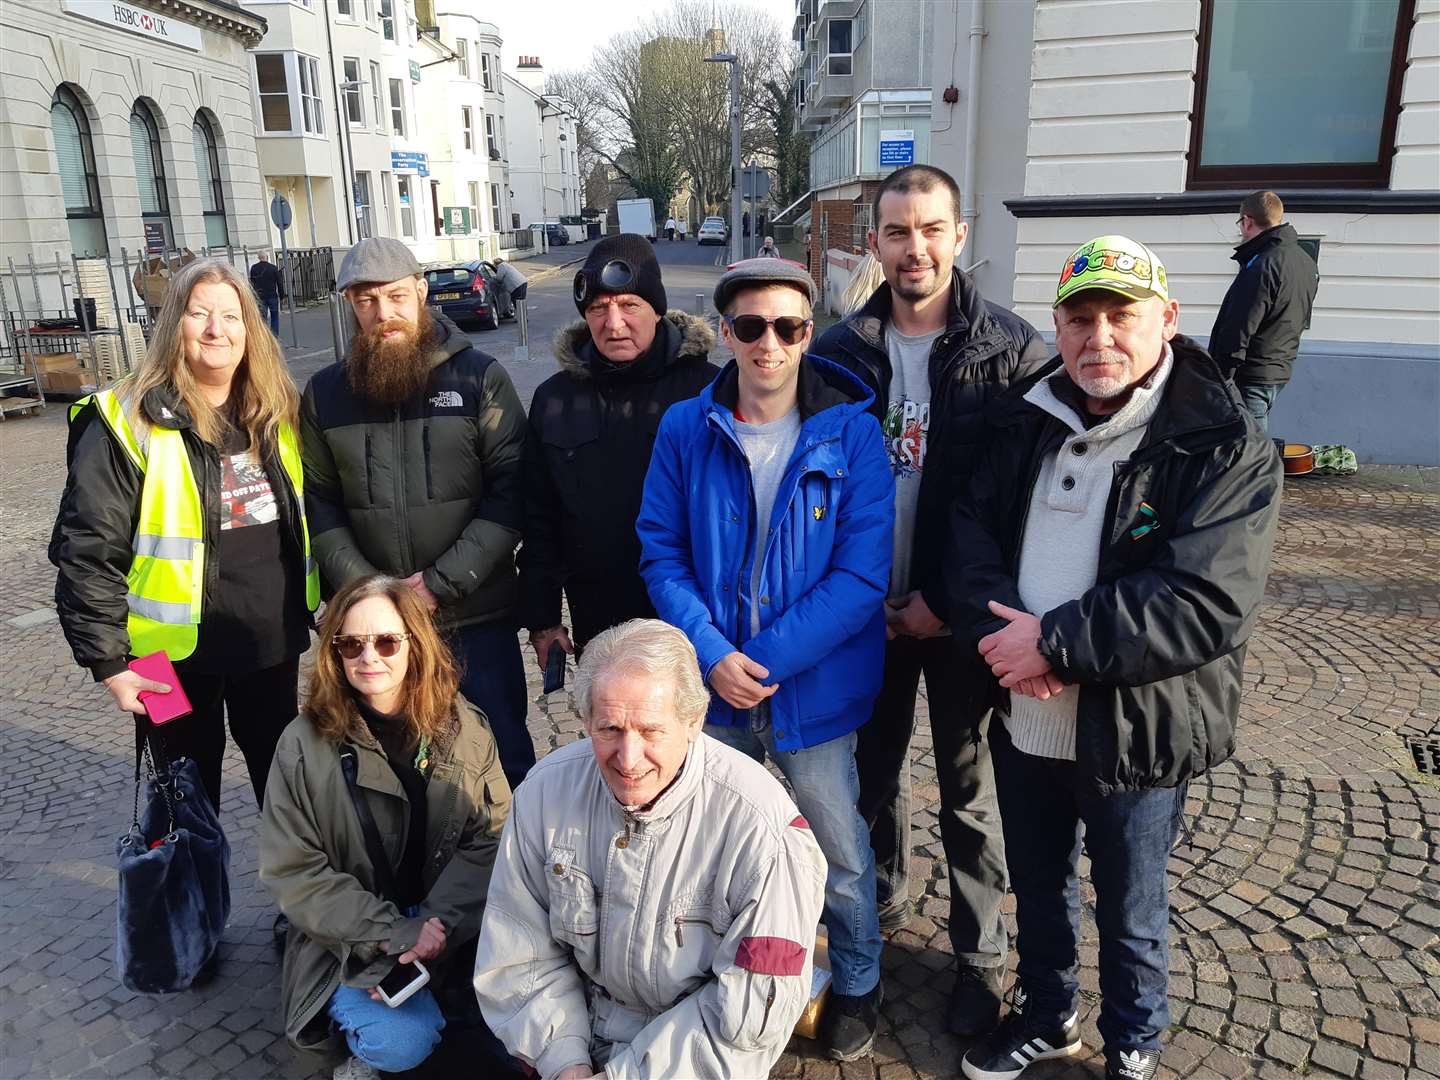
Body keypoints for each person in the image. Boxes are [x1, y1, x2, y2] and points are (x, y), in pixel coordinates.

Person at [948, 235, 1281, 1080]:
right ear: (1056, 327)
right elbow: (968, 536)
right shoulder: (1025, 420)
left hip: (1136, 727)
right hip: (1025, 716)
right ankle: (1049, 1013)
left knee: (1131, 905)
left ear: (1165, 321)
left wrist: (1053, 643)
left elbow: (1206, 598)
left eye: (1120, 315)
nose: (1099, 337)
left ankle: (1135, 1038)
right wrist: (1014, 644)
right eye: (1079, 317)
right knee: (1041, 884)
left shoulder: (1221, 442)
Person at [810, 163, 1050, 1036]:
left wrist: (949, 606)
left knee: (968, 788)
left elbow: (1021, 507)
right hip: (861, 618)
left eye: (930, 229)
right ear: (874, 242)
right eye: (897, 231)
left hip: (960, 623)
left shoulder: (1014, 353)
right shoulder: (835, 354)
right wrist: (852, 598)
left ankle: (981, 962)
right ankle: (873, 918)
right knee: (864, 782)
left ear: (959, 233)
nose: (915, 248)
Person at [637, 259, 894, 1061]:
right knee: (715, 848)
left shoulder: (852, 430)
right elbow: (661, 553)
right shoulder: (686, 426)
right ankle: (732, 975)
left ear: (808, 333)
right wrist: (711, 655)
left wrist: (762, 657)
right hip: (716, 693)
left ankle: (856, 977)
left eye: (787, 327)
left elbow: (862, 577)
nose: (769, 344)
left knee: (839, 849)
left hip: (812, 691)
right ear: (726, 333)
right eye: (750, 327)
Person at [473, 619, 826, 1079]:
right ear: (585, 721)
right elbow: (517, 950)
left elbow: (747, 1020)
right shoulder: (542, 794)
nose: (629, 758)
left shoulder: (766, 833)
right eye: (610, 729)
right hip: (569, 1044)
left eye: (651, 731)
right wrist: (566, 1062)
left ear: (694, 721)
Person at [51, 256, 319, 814]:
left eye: (231, 315)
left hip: (269, 642)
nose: (217, 329)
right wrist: (109, 662)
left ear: (251, 329)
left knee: (287, 786)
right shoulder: (125, 417)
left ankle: (301, 898)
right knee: (180, 796)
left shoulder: (276, 410)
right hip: (161, 658)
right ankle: (188, 902)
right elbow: (87, 550)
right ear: (175, 322)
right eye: (200, 314)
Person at [300, 237, 532, 789]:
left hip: (474, 616)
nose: (384, 315)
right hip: (376, 631)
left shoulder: (479, 377)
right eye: (366, 301)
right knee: (390, 772)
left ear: (422, 292)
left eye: (397, 297)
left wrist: (436, 585)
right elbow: (319, 502)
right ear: (350, 306)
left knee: (503, 758)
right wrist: (373, 595)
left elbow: (513, 491)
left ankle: (512, 871)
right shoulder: (325, 393)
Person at [261, 574, 512, 1080]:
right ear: (334, 653)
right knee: (402, 1042)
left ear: (415, 645)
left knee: (515, 1030)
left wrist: (436, 923)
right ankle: (354, 1050)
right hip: (352, 936)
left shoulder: (464, 727)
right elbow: (296, 872)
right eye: (351, 643)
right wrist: (395, 932)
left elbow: (491, 835)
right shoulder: (302, 745)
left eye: (386, 641)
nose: (368, 657)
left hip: (450, 921)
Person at [519, 235, 719, 664]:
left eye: (629, 305)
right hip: (599, 625)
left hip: (697, 625)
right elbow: (537, 515)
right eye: (598, 309)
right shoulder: (555, 399)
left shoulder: (709, 390)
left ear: (657, 308)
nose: (614, 324)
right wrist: (543, 619)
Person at [1209, 191, 1319, 433]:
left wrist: (1222, 375)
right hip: (1279, 367)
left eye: (1241, 224)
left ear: (1247, 221)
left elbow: (1240, 326)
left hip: (1252, 374)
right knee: (1250, 443)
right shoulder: (1305, 262)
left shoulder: (1262, 263)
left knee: (1252, 450)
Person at [249, 250, 285, 335]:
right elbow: (279, 283)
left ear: (259, 258)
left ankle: (264, 336)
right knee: (274, 317)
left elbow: (252, 283)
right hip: (272, 295)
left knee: (263, 318)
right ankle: (274, 336)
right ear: (267, 257)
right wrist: (282, 295)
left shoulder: (254, 268)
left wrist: (253, 296)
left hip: (260, 296)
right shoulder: (273, 268)